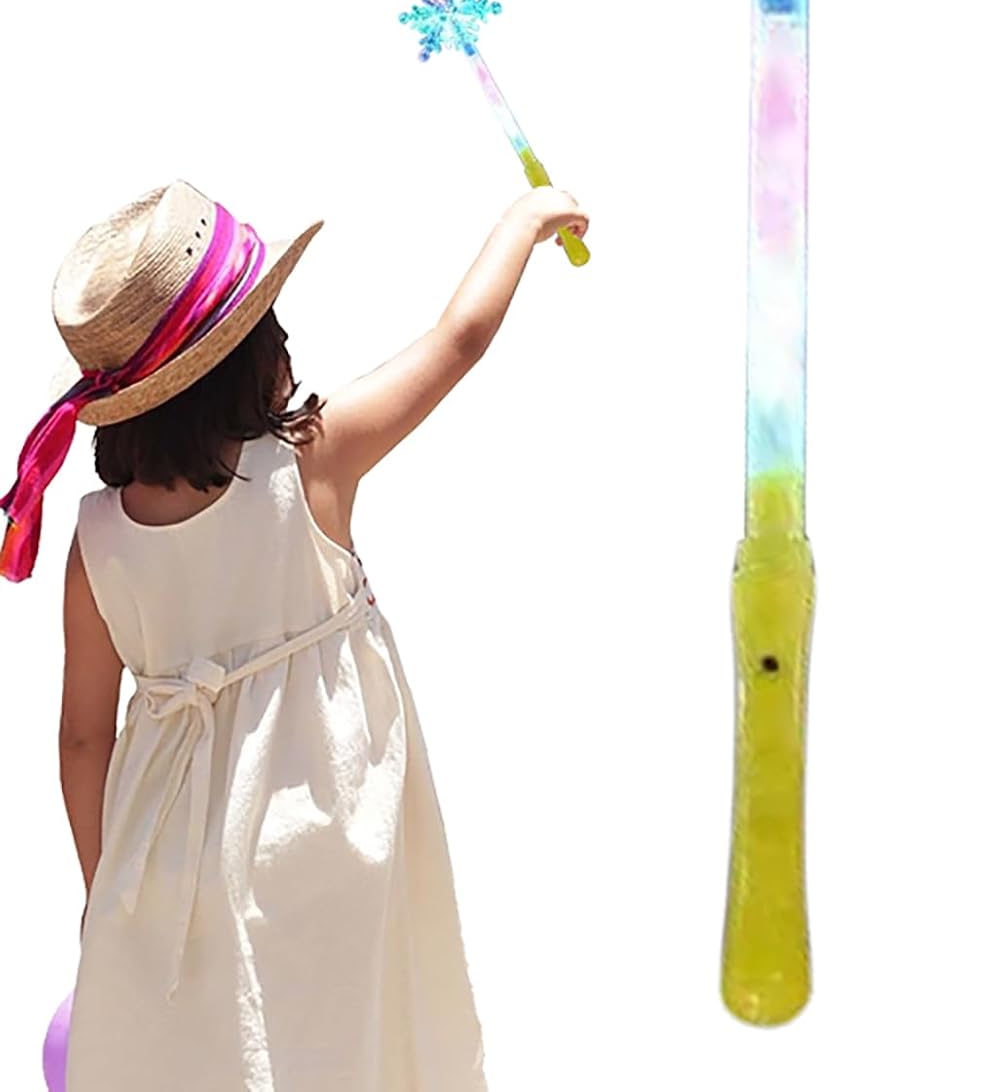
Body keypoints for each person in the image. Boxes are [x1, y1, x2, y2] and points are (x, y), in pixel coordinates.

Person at [0, 177, 588, 1092]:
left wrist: (104, 888)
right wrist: (526, 219)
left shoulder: (98, 539)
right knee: (341, 1042)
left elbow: (83, 737)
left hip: (170, 853)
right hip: (324, 835)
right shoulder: (313, 458)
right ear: (244, 361)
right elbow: (458, 339)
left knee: (205, 1050)